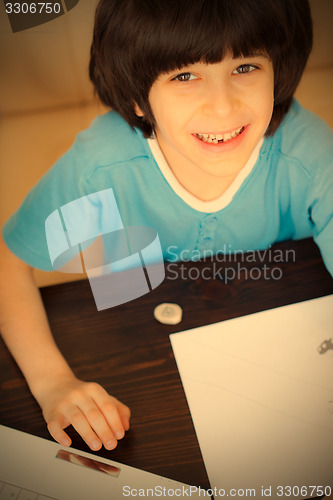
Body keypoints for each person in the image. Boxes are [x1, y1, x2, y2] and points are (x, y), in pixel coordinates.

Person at [0, 0, 332, 454]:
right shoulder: (103, 168)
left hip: (269, 339)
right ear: (138, 98)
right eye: (184, 75)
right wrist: (53, 382)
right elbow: (9, 262)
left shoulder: (308, 153)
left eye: (245, 66)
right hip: (138, 346)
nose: (222, 106)